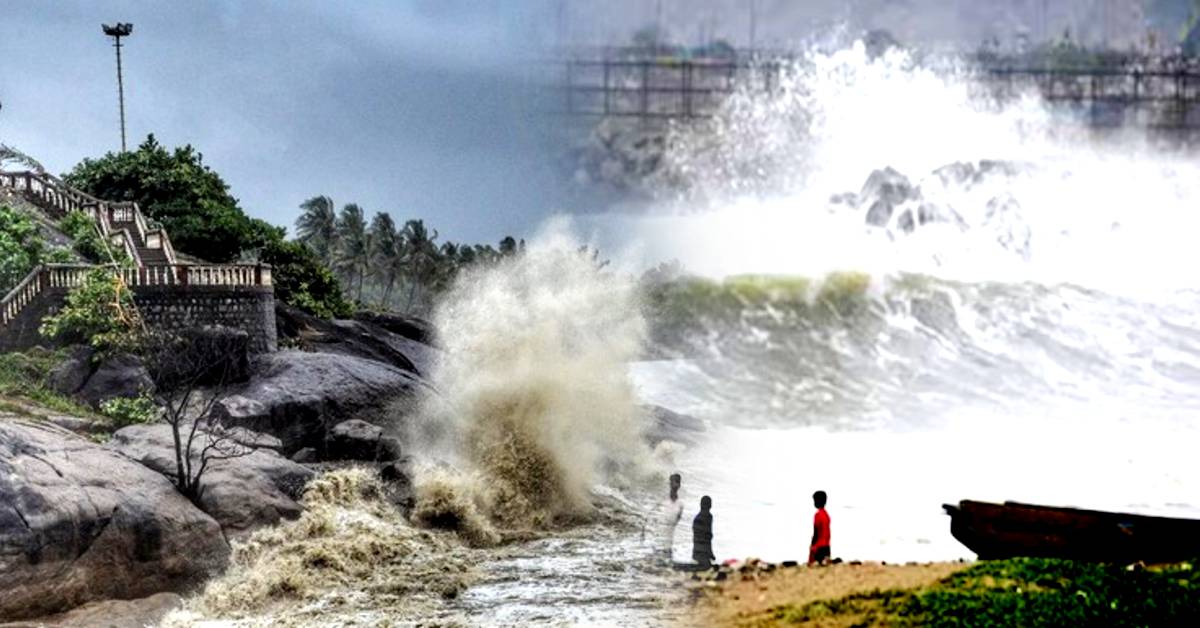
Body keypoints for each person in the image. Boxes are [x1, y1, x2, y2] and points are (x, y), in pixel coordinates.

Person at [654, 473, 683, 563]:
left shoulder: (680, 504)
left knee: (667, 556)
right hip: (660, 533)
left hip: (669, 534)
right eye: (674, 482)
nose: (675, 484)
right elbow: (655, 515)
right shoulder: (662, 499)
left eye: (677, 482)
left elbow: (676, 520)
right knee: (658, 556)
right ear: (670, 484)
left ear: (679, 485)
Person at [808, 490, 831, 565]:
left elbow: (816, 533)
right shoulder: (827, 515)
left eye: (815, 501)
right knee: (824, 562)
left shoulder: (817, 515)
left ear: (817, 501)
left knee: (813, 563)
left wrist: (812, 545)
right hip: (827, 547)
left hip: (819, 547)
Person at [692, 495, 715, 568]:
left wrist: (710, 553)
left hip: (702, 551)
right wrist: (709, 553)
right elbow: (705, 537)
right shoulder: (702, 518)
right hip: (700, 552)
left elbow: (708, 537)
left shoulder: (708, 517)